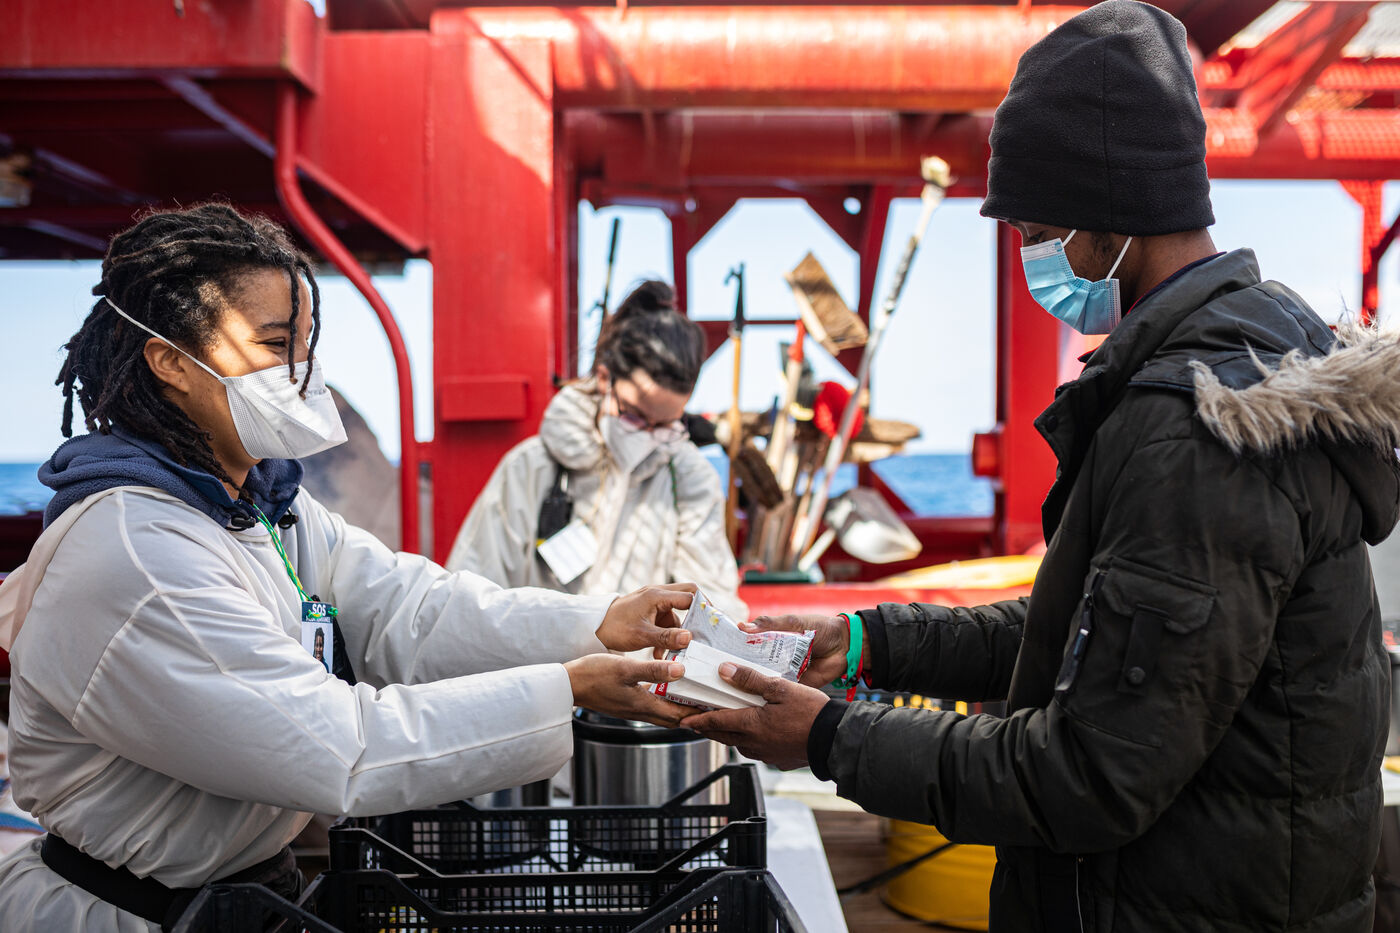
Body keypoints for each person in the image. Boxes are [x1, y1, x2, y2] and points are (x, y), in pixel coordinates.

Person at [683, 3, 1400, 930]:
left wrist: (827, 735)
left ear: (1108, 217)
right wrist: (866, 644)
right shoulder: (1233, 373)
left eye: (1033, 231)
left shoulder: (1198, 436)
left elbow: (1088, 776)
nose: (1028, 256)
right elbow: (1091, 626)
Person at [0, 203, 697, 931]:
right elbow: (338, 747)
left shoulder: (260, 505)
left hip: (241, 897)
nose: (303, 374)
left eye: (307, 346)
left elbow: (411, 608)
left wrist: (599, 624)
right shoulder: (138, 552)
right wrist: (567, 688)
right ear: (171, 361)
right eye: (276, 345)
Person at [446, 280, 746, 620]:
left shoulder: (690, 479)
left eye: (664, 426)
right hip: (539, 656)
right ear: (605, 379)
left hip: (644, 658)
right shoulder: (530, 468)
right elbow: (470, 599)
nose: (646, 436)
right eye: (634, 416)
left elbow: (713, 605)